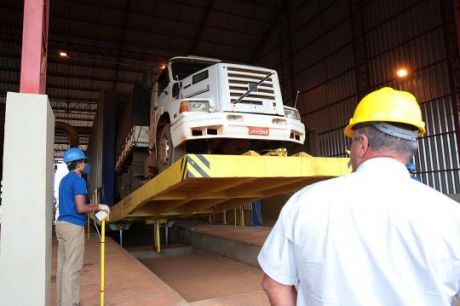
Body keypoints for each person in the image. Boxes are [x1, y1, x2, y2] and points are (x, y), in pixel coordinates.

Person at [258, 87, 460, 306]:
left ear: (362, 144)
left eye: (351, 142)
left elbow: (274, 284)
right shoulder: (450, 214)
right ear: (411, 147)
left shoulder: (305, 202)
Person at [56, 147, 110, 306]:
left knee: (64, 266)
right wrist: (100, 206)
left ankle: (65, 302)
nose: (85, 164)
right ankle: (69, 303)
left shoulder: (64, 180)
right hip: (73, 227)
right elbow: (80, 208)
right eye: (83, 161)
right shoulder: (79, 181)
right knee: (72, 268)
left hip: (61, 225)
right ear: (78, 163)